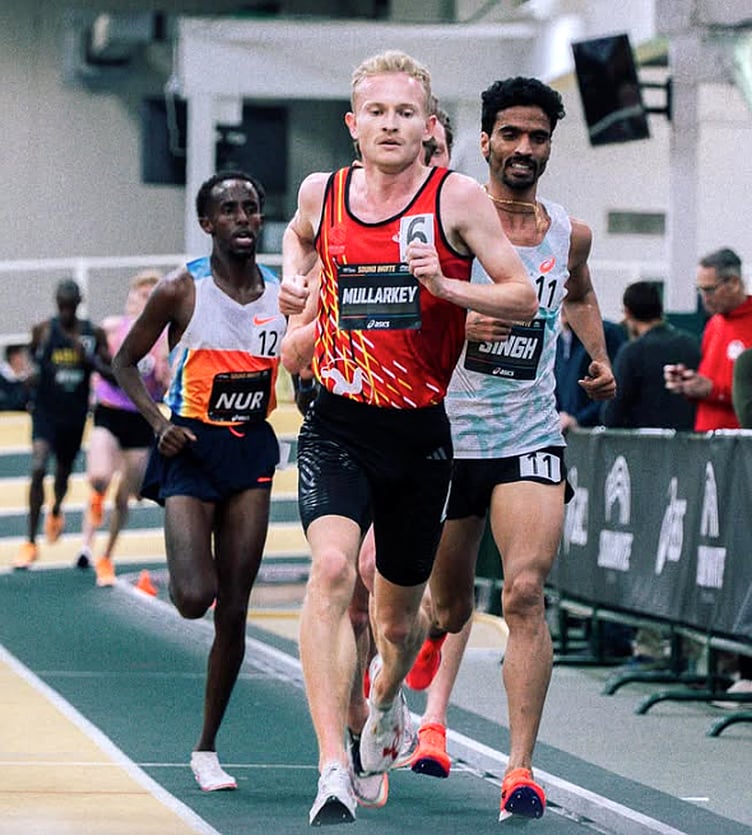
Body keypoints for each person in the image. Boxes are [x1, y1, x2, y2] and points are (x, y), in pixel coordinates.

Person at [278, 50, 537, 826]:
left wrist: (445, 286)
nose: (391, 125)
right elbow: (297, 239)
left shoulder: (455, 196)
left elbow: (521, 294)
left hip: (420, 435)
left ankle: (387, 698)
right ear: (353, 125)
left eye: (406, 114)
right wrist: (295, 282)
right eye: (376, 113)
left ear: (429, 127)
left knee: (397, 623)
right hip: (337, 422)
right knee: (329, 570)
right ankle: (330, 763)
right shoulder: (320, 192)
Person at [404, 76, 615, 821]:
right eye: (512, 135)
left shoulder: (568, 230)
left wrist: (595, 354)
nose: (525, 149)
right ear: (486, 139)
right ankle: (433, 630)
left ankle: (520, 769)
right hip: (448, 432)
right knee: (450, 601)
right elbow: (408, 313)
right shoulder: (451, 219)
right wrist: (463, 322)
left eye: (539, 137)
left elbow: (580, 291)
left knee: (525, 592)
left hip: (529, 429)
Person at [112, 170, 287, 792]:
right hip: (189, 446)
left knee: (233, 611)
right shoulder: (181, 288)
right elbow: (124, 361)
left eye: (252, 207)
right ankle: (189, 581)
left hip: (250, 447)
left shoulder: (283, 294)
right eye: (229, 210)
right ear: (208, 223)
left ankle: (207, 748)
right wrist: (158, 422)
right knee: (193, 598)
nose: (243, 218)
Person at [76, 270, 170, 585]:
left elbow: (166, 381)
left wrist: (165, 370)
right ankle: (86, 543)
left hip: (141, 418)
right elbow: (94, 361)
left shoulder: (164, 339)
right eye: (139, 294)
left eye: (149, 295)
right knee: (99, 477)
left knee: (125, 496)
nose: (142, 300)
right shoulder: (113, 328)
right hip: (110, 411)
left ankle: (106, 556)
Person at [14, 279, 111, 569]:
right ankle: (30, 541)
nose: (66, 311)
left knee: (62, 475)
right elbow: (27, 357)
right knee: (38, 466)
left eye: (71, 306)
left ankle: (55, 510)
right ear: (57, 304)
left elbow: (112, 370)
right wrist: (30, 372)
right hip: (46, 413)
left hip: (74, 416)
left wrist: (89, 360)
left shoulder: (92, 334)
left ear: (78, 304)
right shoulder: (43, 330)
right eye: (62, 306)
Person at [664, 247, 752, 431]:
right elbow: (710, 382)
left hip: (740, 445)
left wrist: (713, 391)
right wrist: (689, 383)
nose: (704, 298)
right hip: (707, 441)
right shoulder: (714, 324)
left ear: (734, 283)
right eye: (700, 290)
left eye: (709, 290)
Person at [602, 281, 700, 430]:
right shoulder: (692, 344)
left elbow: (612, 413)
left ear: (628, 313)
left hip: (645, 446)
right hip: (690, 443)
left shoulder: (632, 352)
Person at [556, 306, 625, 432]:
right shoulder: (560, 340)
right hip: (568, 432)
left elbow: (619, 386)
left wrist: (579, 419)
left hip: (597, 432)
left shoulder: (606, 333)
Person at [0, 343, 34, 412]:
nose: (25, 360)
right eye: (22, 356)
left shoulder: (27, 379)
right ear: (13, 357)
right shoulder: (2, 378)